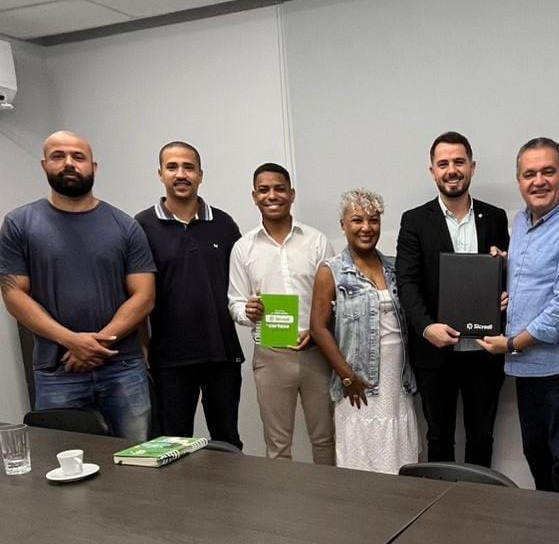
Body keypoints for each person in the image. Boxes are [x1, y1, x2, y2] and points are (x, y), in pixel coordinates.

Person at [0, 131, 155, 440]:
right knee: (63, 459)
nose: (69, 163)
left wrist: (97, 345)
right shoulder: (19, 224)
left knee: (136, 459)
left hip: (123, 367)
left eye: (78, 157)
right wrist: (71, 341)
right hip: (57, 370)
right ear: (44, 165)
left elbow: (144, 296)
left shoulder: (125, 225)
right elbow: (14, 295)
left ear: (93, 167)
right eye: (58, 156)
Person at [479, 137, 559, 494]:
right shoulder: (521, 222)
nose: (538, 181)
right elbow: (533, 279)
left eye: (548, 171)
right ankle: (546, 528)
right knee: (536, 456)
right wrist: (502, 272)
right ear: (519, 180)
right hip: (527, 368)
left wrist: (511, 344)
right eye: (529, 174)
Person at [395, 131, 509, 467]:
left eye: (459, 162)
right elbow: (407, 281)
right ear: (432, 171)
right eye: (443, 164)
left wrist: (504, 288)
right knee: (439, 438)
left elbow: (506, 273)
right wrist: (426, 327)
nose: (452, 170)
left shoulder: (496, 216)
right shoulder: (414, 220)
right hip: (435, 352)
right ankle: (440, 502)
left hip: (484, 351)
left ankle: (478, 499)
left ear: (472, 166)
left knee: (481, 437)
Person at [135, 141, 244, 447]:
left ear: (200, 175)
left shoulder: (224, 224)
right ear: (160, 173)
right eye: (172, 167)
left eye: (188, 167)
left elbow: (243, 283)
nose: (181, 174)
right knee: (172, 444)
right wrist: (142, 348)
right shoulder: (141, 227)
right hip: (169, 359)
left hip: (222, 354)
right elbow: (135, 294)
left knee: (227, 441)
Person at [227, 163, 335, 463]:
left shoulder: (316, 241)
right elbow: (235, 302)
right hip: (271, 353)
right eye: (264, 190)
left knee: (325, 438)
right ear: (254, 196)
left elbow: (334, 298)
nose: (272, 195)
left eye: (279, 189)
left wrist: (317, 329)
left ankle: (329, 494)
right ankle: (282, 496)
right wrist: (248, 311)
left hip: (317, 351)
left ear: (292, 194)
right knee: (277, 445)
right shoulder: (243, 248)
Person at [310, 189, 419, 473]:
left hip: (398, 379)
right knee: (362, 457)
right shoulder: (331, 270)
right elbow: (318, 328)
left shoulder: (395, 267)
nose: (366, 228)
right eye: (357, 220)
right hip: (357, 380)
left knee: (398, 454)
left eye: (373, 220)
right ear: (343, 224)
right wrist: (347, 376)